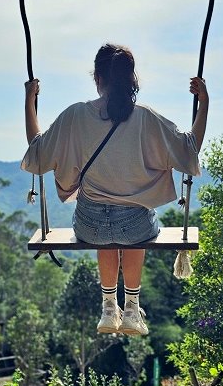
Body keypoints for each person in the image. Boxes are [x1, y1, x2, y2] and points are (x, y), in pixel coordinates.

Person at [21, 44, 209, 336]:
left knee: (103, 228)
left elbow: (37, 152)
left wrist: (28, 101)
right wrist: (204, 101)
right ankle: (131, 308)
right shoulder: (146, 118)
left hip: (89, 225)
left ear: (97, 77)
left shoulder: (74, 115)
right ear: (131, 79)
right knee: (135, 221)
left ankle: (109, 307)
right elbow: (189, 148)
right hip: (135, 226)